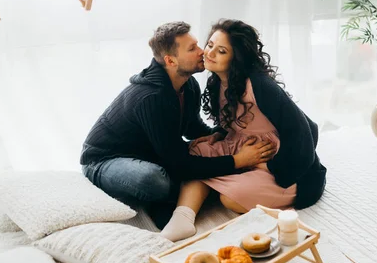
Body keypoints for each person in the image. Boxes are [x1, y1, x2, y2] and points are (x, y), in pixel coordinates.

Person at [80, 22, 276, 228]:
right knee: (153, 180)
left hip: (152, 154)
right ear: (170, 60)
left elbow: (192, 127)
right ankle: (175, 198)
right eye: (192, 49)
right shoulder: (151, 97)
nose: (203, 52)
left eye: (198, 45)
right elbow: (178, 163)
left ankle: (184, 194)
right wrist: (238, 160)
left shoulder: (188, 85)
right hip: (104, 161)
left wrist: (221, 135)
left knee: (200, 154)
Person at [161, 19, 327, 241]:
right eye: (210, 45)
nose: (209, 53)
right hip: (244, 147)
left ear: (236, 57)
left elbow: (306, 130)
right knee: (195, 152)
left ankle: (214, 187)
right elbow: (235, 120)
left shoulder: (259, 85)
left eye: (221, 51)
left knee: (230, 199)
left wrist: (263, 164)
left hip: (281, 165)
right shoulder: (217, 82)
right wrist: (219, 135)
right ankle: (183, 218)